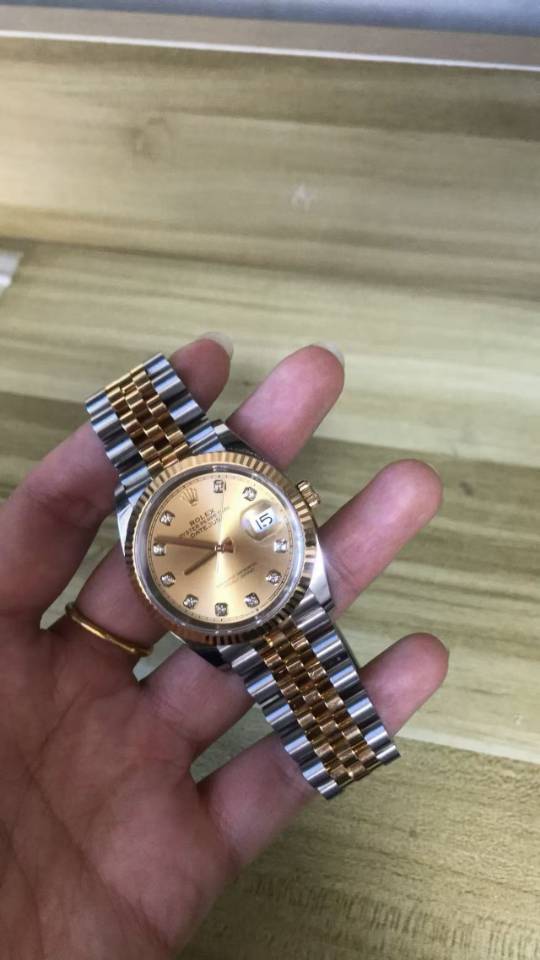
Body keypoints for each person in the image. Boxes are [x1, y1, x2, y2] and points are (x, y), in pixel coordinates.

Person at [0, 337, 448, 958]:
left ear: (296, 504)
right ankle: (342, 745)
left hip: (266, 591)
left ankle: (343, 745)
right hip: (231, 607)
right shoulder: (152, 548)